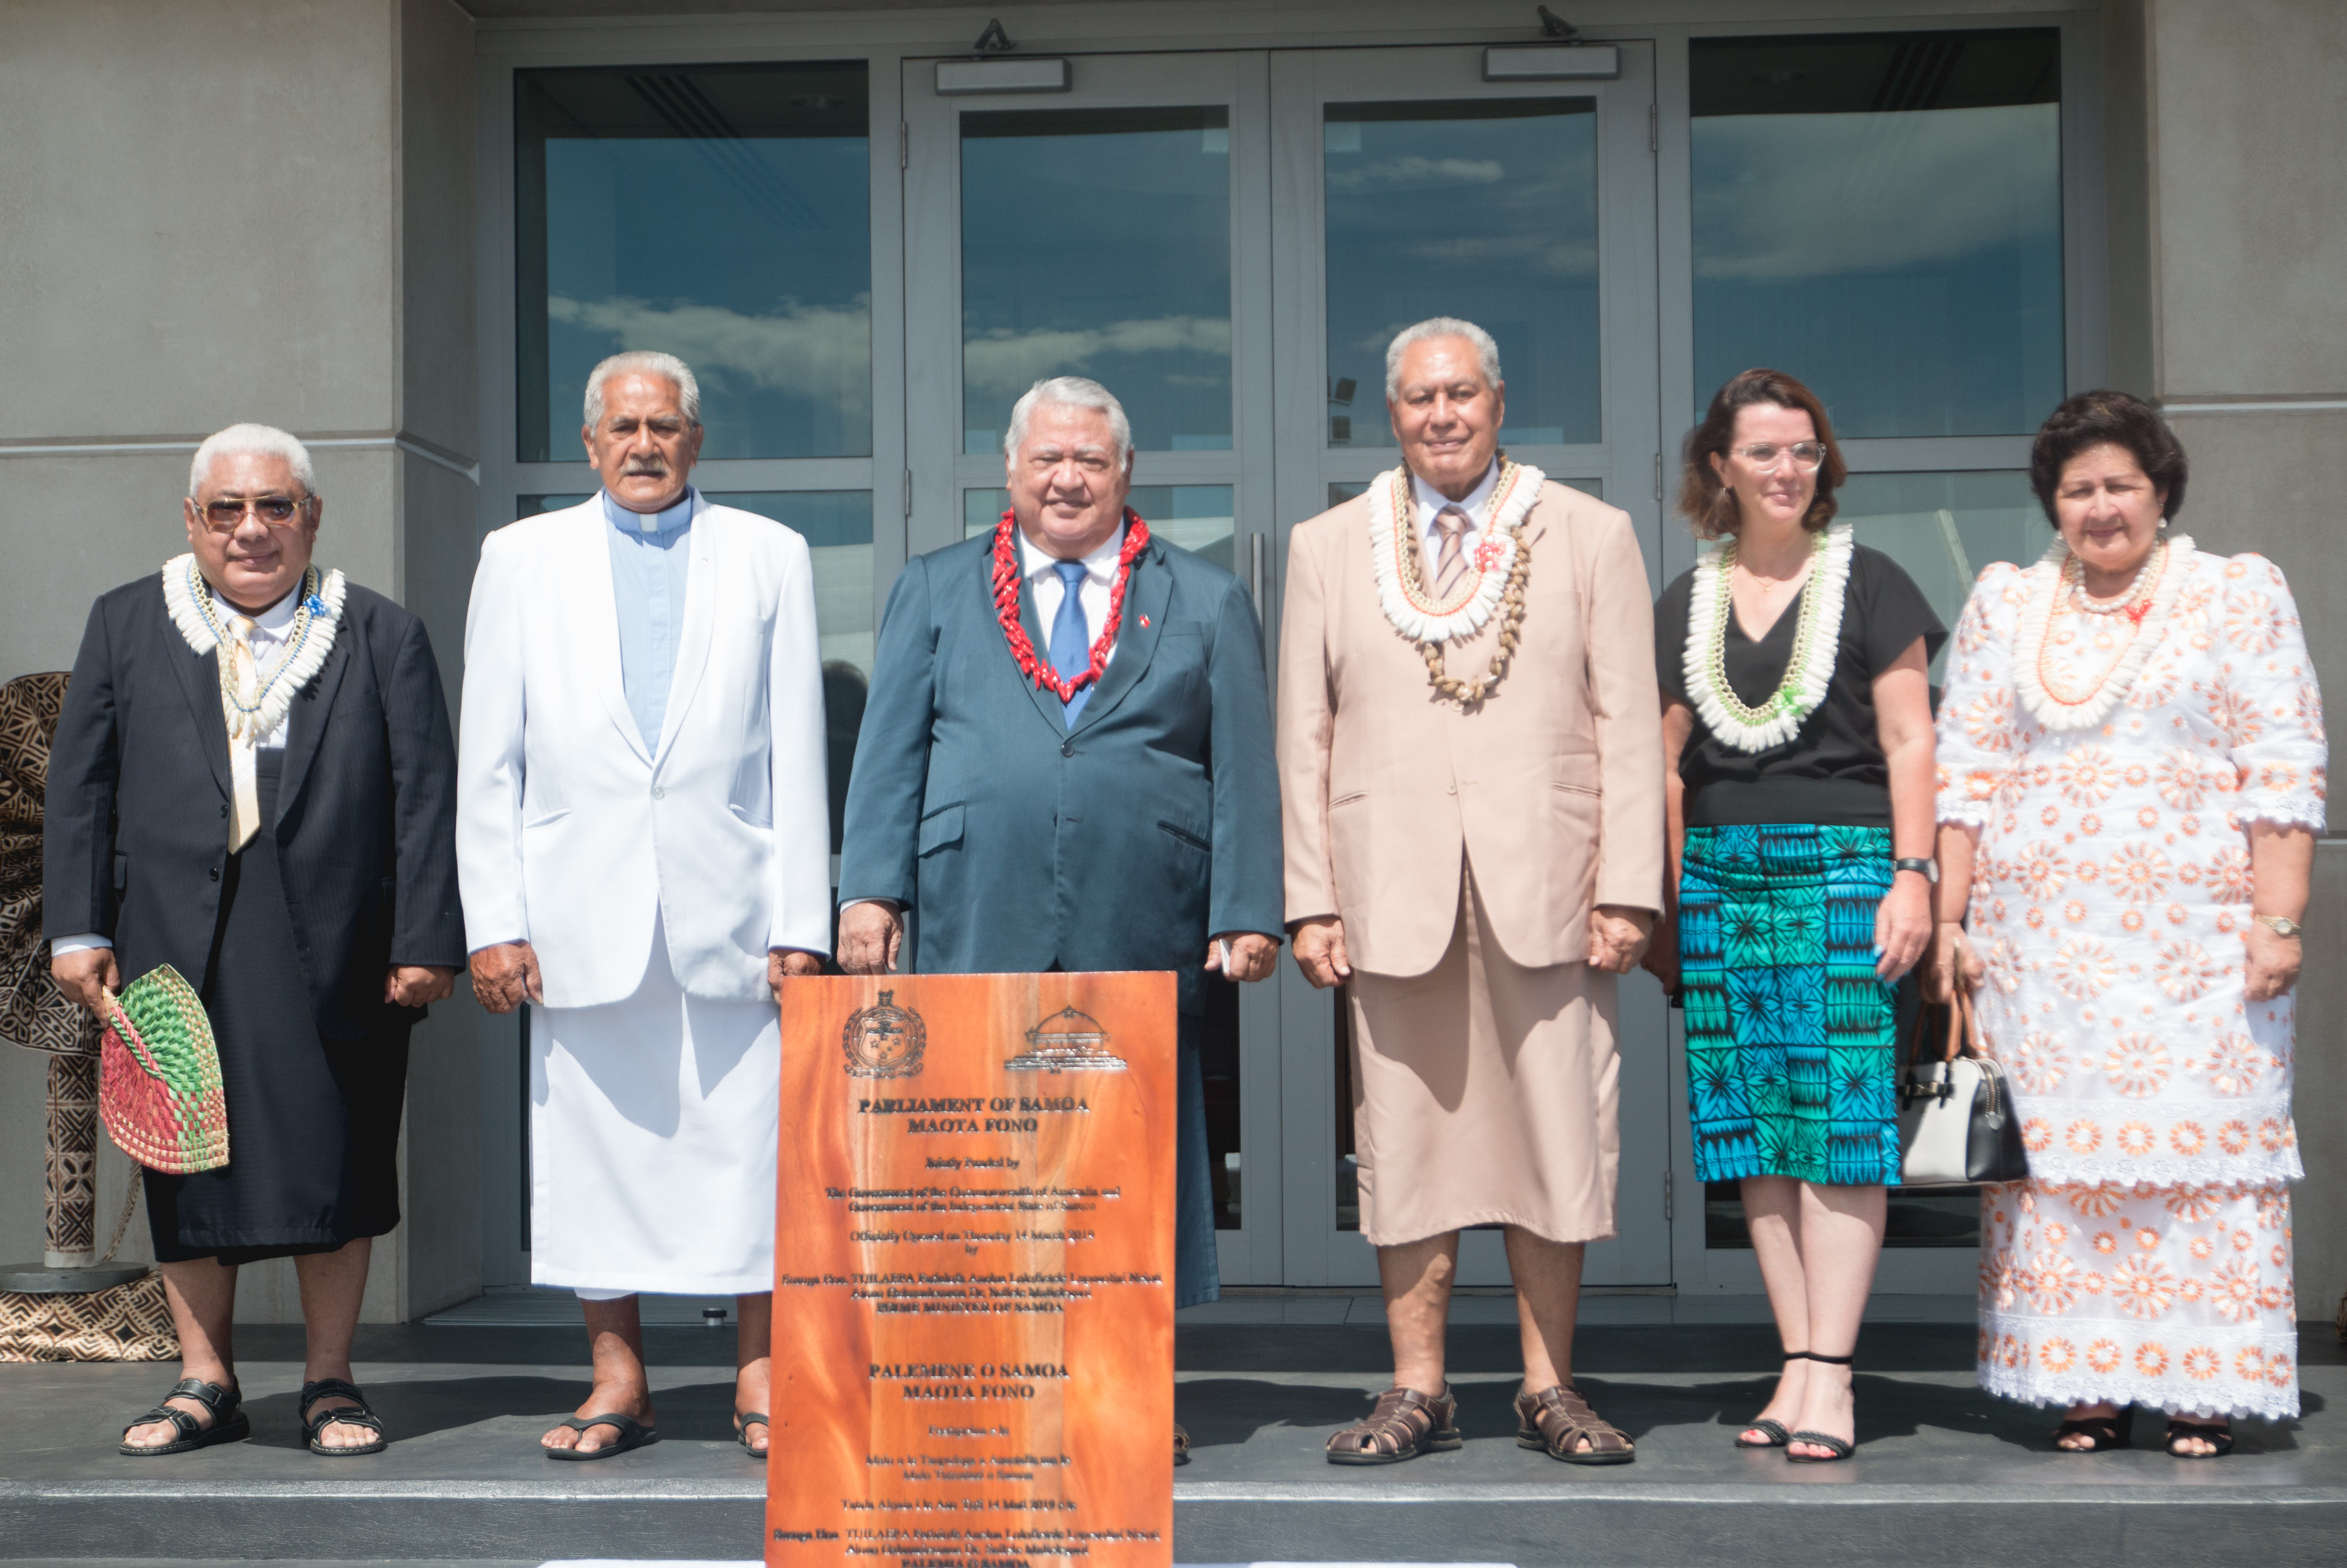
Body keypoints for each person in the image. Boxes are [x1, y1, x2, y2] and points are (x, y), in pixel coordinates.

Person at [835, 375, 1283, 1468]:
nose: (1068, 478)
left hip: (1143, 911)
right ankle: (983, 1395)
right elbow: (889, 750)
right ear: (1011, 471)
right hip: (975, 902)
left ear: (1127, 473)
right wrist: (867, 891)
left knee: (1126, 1159)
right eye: (1048, 460)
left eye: (1090, 460)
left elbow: (1243, 770)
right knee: (978, 1156)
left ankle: (1129, 1392)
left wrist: (1248, 907)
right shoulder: (936, 588)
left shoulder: (1206, 597)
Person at [1279, 318, 1662, 1467]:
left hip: (1550, 883)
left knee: (1556, 1135)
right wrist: (1312, 897)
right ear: (1389, 414)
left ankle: (1552, 1388)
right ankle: (1418, 1390)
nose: (1440, 415)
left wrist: (1629, 886)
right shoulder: (1328, 546)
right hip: (1387, 887)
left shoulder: (1588, 532)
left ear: (1499, 403)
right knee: (1406, 1142)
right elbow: (1306, 734)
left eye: (1460, 393)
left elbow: (1629, 726)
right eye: (1417, 398)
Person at [46, 424, 464, 1457]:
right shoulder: (125, 624)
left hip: (341, 942)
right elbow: (82, 792)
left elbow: (425, 802)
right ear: (193, 521)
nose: (251, 529)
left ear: (311, 517)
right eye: (227, 509)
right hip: (173, 941)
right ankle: (204, 1380)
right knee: (185, 1161)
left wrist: (428, 939)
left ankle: (330, 1381)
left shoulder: (381, 632)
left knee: (339, 1157)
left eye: (275, 506)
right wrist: (79, 928)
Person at [1927, 390, 2321, 1459]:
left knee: (2198, 1162)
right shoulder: (2008, 603)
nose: (2101, 508)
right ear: (2052, 503)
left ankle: (2202, 1385)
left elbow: (2282, 766)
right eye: (2078, 489)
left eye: (2121, 486)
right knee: (2064, 1167)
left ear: (2162, 492)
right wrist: (1952, 919)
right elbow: (1962, 774)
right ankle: (2090, 1382)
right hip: (2040, 950)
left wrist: (2277, 920)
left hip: (2196, 947)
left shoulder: (2234, 594)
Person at [456, 351, 832, 1460]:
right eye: (622, 428)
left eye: (664, 427)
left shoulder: (773, 555)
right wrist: (493, 919)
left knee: (752, 1151)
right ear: (589, 444)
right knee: (592, 1154)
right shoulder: (519, 557)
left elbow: (799, 753)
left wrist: (802, 920)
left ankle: (760, 1377)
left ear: (696, 440)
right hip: (580, 914)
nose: (643, 446)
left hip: (738, 918)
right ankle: (618, 1379)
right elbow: (491, 756)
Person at [1643, 369, 1942, 1463]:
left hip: (1849, 868)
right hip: (1723, 877)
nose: (1787, 470)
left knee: (1842, 1130)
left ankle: (1833, 1373)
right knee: (1757, 1131)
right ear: (1720, 465)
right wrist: (1670, 892)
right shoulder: (1687, 599)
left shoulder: (1873, 583)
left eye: (1805, 451)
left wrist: (1913, 875)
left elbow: (1914, 742)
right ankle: (1795, 1359)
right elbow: (1665, 761)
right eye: (1765, 452)